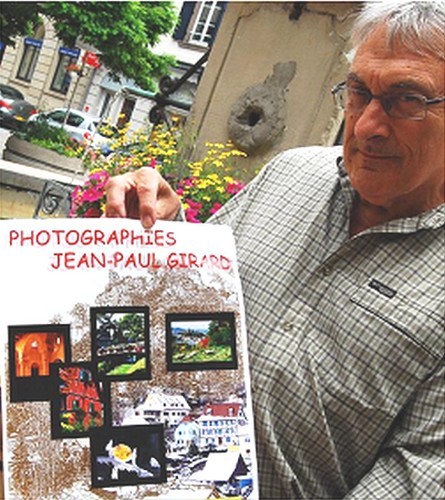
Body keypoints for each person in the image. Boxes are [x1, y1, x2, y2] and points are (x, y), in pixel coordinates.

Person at [105, 1, 444, 498]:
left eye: (407, 99)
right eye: (358, 91)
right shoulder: (291, 173)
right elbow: (189, 298)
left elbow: (415, 478)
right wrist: (158, 230)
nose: (369, 124)